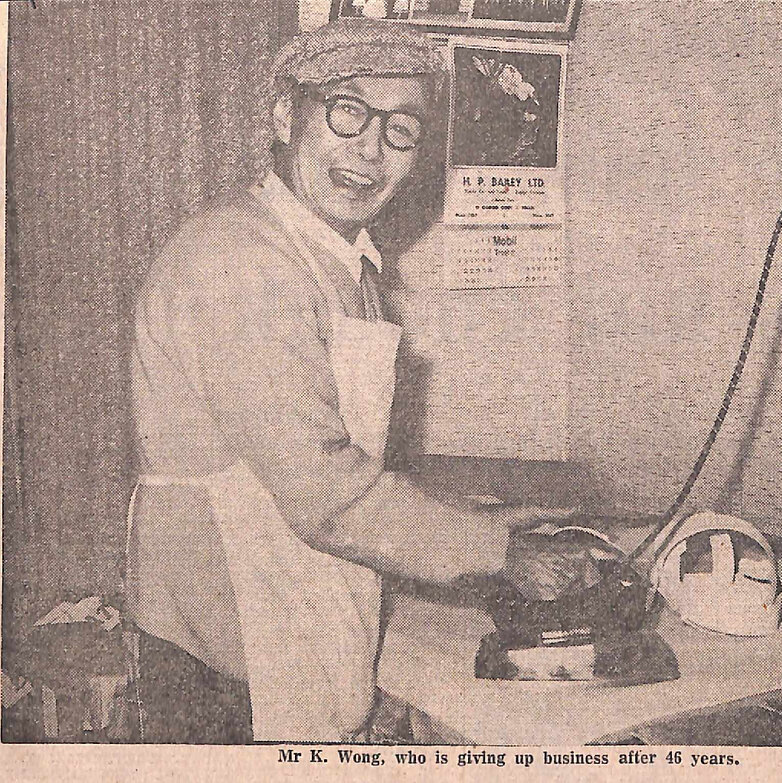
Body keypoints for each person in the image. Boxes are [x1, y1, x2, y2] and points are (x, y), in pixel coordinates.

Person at [126, 19, 572, 743]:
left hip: (290, 605)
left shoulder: (337, 258)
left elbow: (340, 458)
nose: (369, 148)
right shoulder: (241, 261)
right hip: (230, 636)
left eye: (401, 130)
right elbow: (322, 488)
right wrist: (497, 552)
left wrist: (483, 521)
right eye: (348, 112)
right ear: (283, 115)